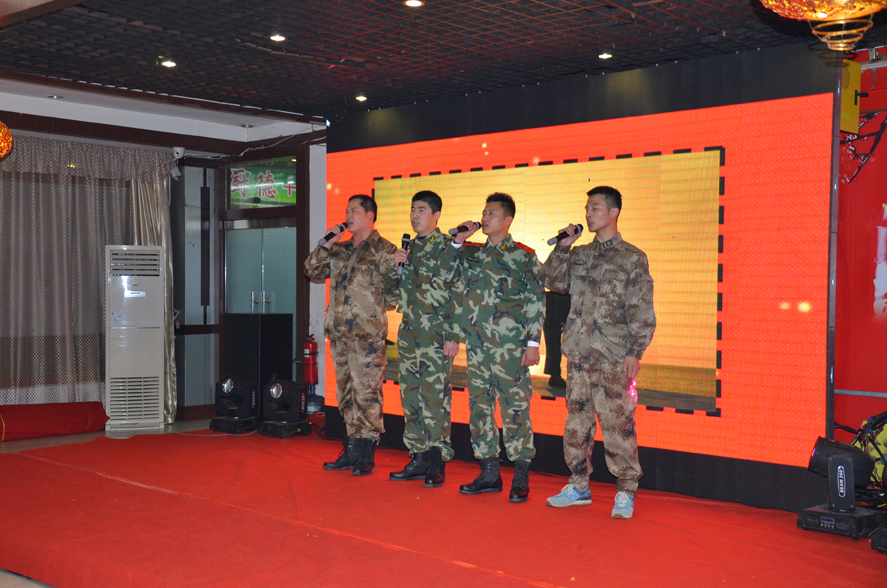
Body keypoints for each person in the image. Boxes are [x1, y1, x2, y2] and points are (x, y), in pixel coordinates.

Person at [540, 186, 656, 519]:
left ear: (613, 211)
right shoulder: (578, 254)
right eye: (587, 208)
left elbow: (641, 308)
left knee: (618, 425)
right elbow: (551, 279)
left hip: (613, 358)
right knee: (577, 425)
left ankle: (626, 490)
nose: (588, 213)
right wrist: (564, 246)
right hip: (578, 356)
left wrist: (635, 351)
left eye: (595, 208)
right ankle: (578, 485)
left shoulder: (632, 257)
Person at [441, 193, 545, 503]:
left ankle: (521, 475)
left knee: (516, 410)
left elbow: (535, 302)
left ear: (508, 220)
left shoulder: (524, 257)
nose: (485, 218)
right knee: (480, 409)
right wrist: (458, 241)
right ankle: (489, 473)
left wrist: (533, 343)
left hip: (511, 349)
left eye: (492, 213)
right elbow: (446, 275)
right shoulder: (471, 253)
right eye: (484, 213)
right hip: (477, 348)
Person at [304, 194, 397, 476]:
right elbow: (311, 270)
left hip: (367, 337)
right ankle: (352, 448)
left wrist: (367, 308)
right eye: (346, 211)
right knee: (346, 393)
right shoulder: (340, 249)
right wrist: (327, 243)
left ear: (370, 215)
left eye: (353, 211)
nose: (347, 216)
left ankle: (366, 452)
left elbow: (394, 296)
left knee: (367, 394)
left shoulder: (385, 250)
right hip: (340, 334)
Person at [383, 190, 460, 488]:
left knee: (435, 397)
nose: (415, 215)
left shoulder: (448, 247)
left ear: (436, 215)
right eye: (413, 210)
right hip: (408, 333)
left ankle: (437, 459)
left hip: (436, 334)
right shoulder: (407, 248)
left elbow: (459, 294)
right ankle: (418, 455)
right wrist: (395, 267)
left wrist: (453, 335)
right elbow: (391, 293)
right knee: (411, 396)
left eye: (422, 210)